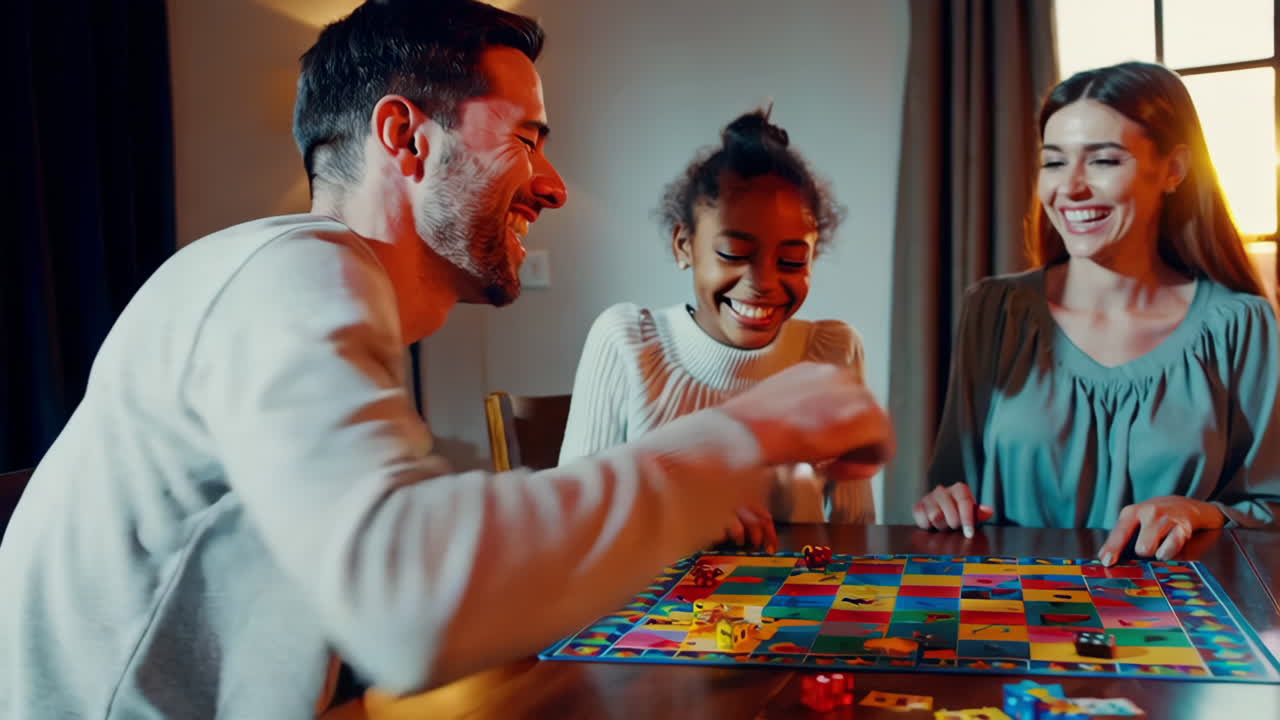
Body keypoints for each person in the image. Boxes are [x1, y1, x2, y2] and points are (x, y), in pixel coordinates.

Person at [0, 1, 894, 717]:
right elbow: (409, 603)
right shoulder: (293, 268)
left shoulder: (302, 287)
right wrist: (753, 430)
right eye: (528, 139)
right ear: (404, 136)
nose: (553, 184)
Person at [916, 61, 1280, 565]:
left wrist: (1200, 511)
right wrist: (942, 503)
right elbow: (953, 486)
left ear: (1174, 169)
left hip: (1175, 627)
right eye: (1054, 162)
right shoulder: (994, 310)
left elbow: (1271, 508)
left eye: (1104, 161)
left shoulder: (1241, 325)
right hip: (1009, 620)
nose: (1071, 188)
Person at [559, 108, 876, 546]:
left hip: (795, 606)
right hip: (656, 609)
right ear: (684, 245)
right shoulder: (627, 341)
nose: (762, 284)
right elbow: (569, 525)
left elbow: (853, 534)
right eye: (732, 253)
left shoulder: (835, 352)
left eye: (791, 262)